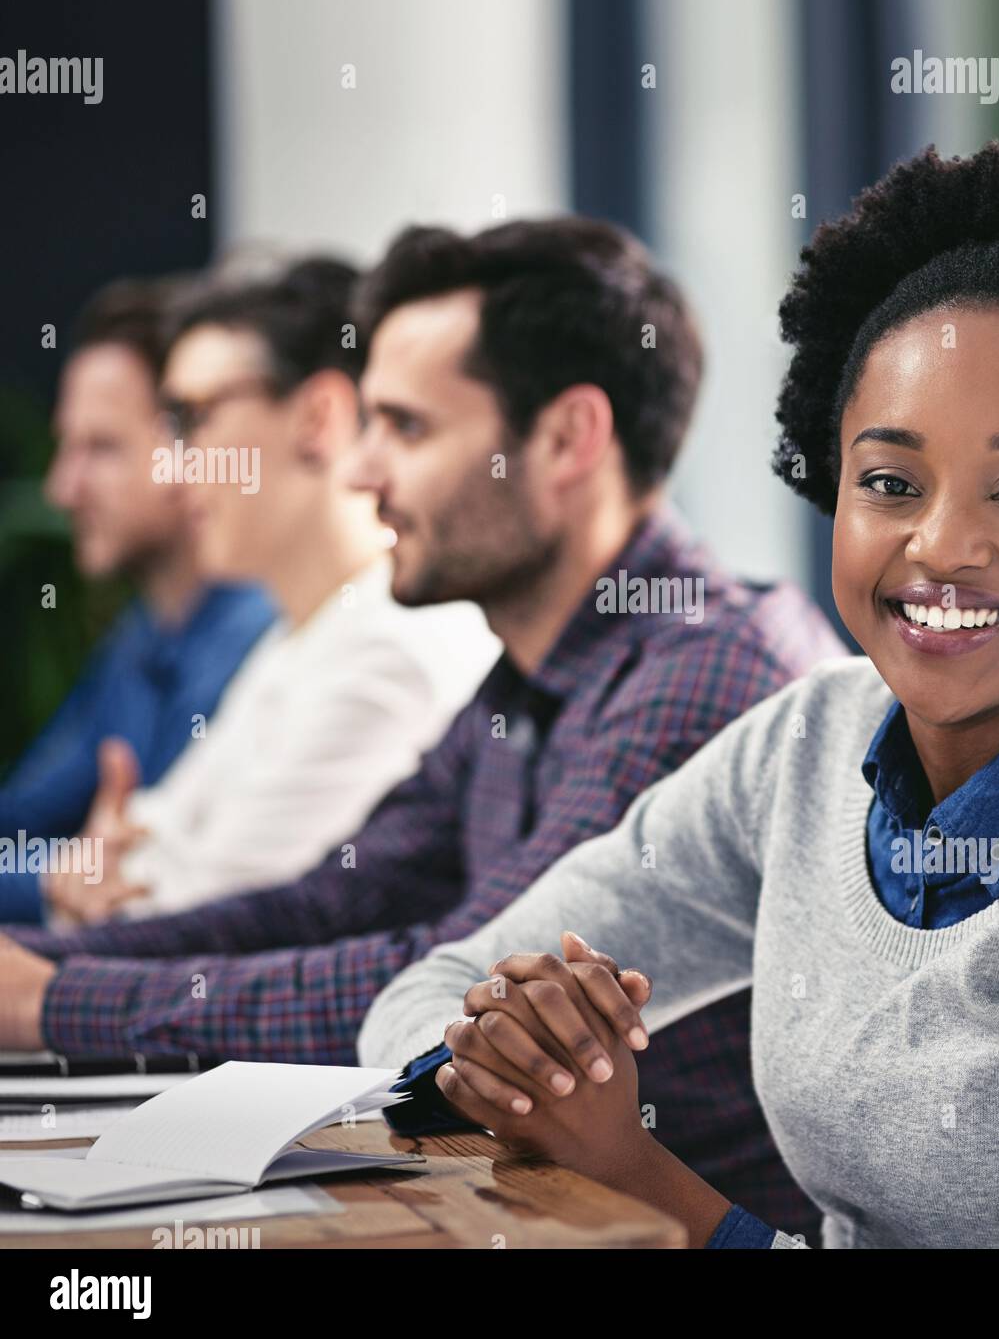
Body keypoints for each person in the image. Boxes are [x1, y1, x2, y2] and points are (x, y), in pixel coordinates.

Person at [357, 141, 999, 1250]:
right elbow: (430, 999)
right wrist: (500, 1054)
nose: (940, 545)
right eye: (889, 482)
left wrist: (629, 1166)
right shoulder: (804, 746)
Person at [0, 217, 845, 1236]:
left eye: (405, 428)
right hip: (516, 1211)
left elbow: (460, 976)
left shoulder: (703, 668)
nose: (361, 472)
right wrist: (41, 965)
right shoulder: (521, 676)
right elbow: (329, 904)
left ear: (568, 438)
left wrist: (51, 1002)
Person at [41, 256, 499, 924]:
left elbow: (197, 928)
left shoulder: (388, 653)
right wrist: (96, 885)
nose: (171, 470)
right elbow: (136, 861)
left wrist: (104, 890)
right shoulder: (299, 636)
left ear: (316, 418)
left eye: (191, 417)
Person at [0, 277, 276, 924]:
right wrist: (55, 874)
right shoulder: (143, 636)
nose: (62, 487)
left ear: (194, 443)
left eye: (101, 448)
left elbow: (142, 885)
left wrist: (69, 874)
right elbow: (19, 825)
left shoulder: (259, 643)